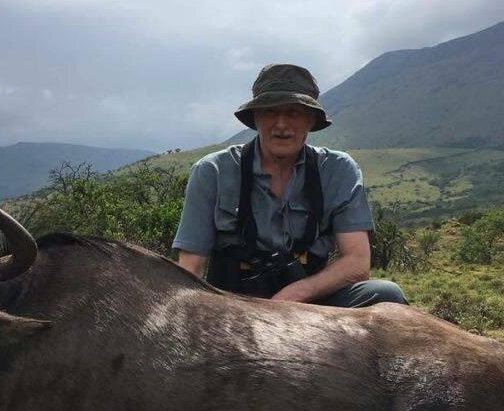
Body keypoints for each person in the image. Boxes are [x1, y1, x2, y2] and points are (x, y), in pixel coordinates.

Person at [172, 63, 406, 307]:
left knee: (385, 294)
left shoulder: (338, 169)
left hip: (313, 304)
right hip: (232, 308)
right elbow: (192, 267)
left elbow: (357, 262)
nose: (281, 124)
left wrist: (294, 295)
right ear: (256, 117)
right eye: (271, 112)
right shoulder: (212, 171)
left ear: (311, 120)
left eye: (294, 112)